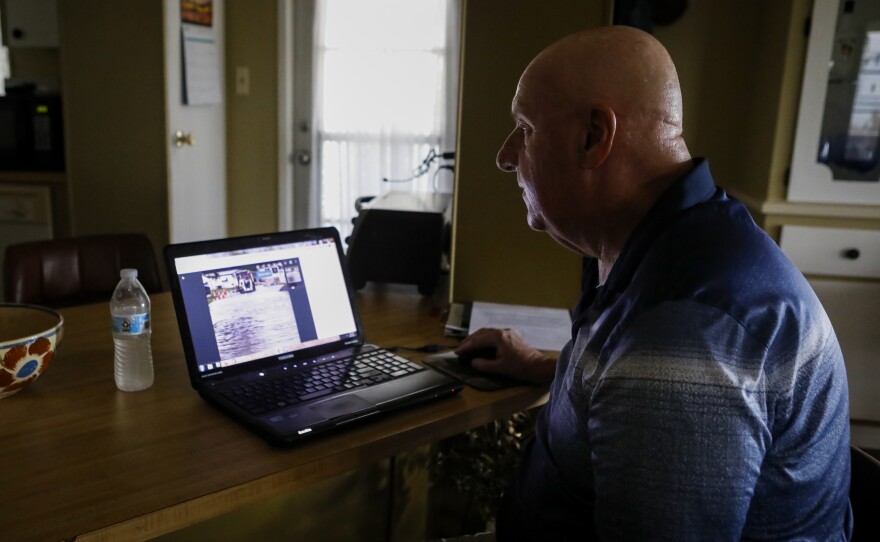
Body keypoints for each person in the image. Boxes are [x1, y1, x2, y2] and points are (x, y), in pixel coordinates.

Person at [455, 25, 853, 541]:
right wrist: (537, 366)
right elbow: (630, 381)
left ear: (594, 136)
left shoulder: (682, 327)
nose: (506, 155)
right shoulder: (681, 241)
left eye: (526, 128)